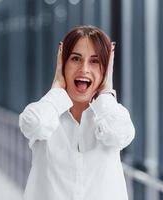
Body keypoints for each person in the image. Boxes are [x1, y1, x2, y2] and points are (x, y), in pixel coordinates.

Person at [19, 25, 135, 200]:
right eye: (75, 59)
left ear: (105, 69)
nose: (84, 69)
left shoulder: (111, 115)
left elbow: (120, 134)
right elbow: (34, 124)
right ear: (62, 64)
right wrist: (57, 87)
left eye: (95, 61)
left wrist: (106, 92)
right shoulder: (49, 113)